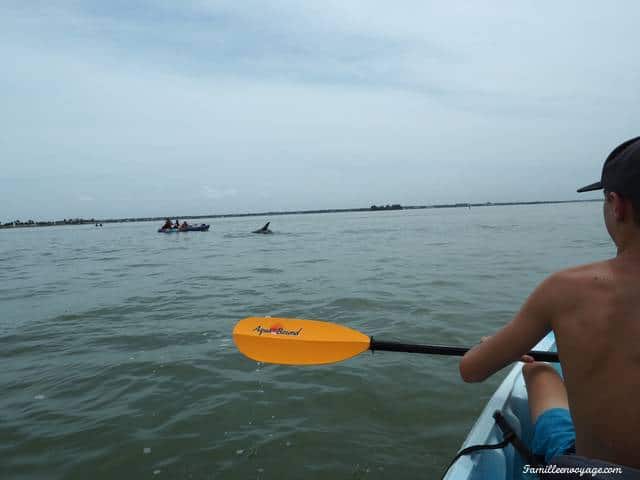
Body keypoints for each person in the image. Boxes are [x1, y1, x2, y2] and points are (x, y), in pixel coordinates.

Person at [459, 136, 640, 470]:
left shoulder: (566, 289)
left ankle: (532, 366)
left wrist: (500, 349)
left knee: (539, 371)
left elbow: (471, 370)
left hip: (599, 472)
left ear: (617, 204)